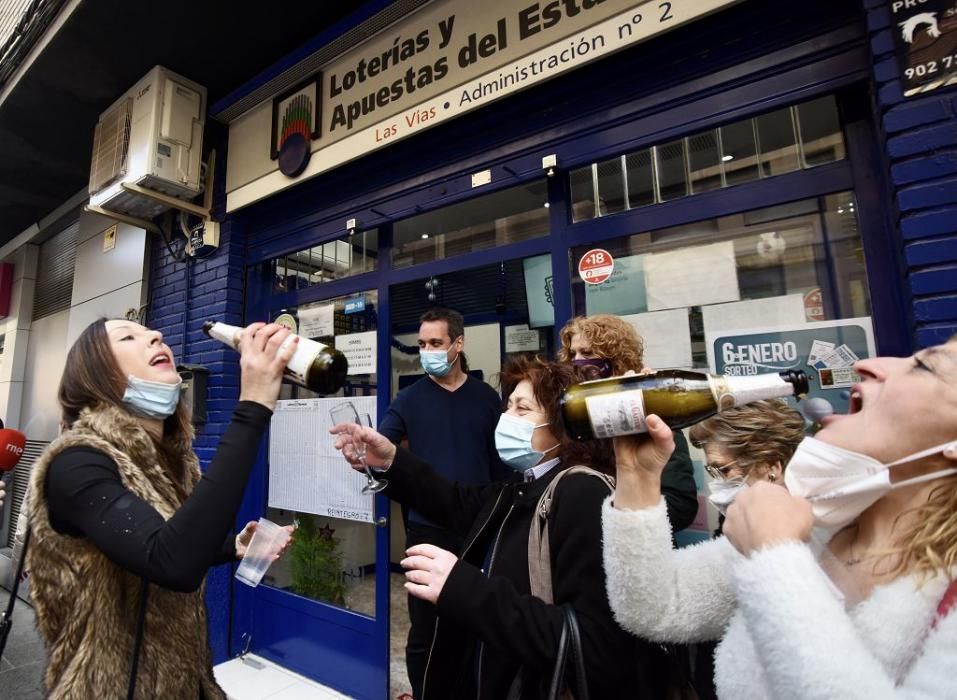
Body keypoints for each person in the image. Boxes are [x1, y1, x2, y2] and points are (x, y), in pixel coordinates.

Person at [602, 339, 957, 698]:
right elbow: (657, 606)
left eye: (925, 366)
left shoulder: (785, 537)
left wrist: (776, 557)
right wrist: (636, 474)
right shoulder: (820, 524)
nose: (870, 364)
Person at [334, 357, 698, 699]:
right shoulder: (520, 484)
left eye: (522, 409)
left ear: (563, 427)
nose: (505, 418)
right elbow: (455, 501)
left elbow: (595, 646)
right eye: (508, 406)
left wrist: (463, 588)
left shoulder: (581, 492)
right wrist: (391, 460)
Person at [26, 319, 295, 699]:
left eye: (153, 332)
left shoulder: (170, 462)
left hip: (186, 682)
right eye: (128, 336)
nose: (156, 336)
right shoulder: (78, 462)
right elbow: (170, 561)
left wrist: (231, 546)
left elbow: (169, 537)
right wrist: (251, 408)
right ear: (94, 373)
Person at [378, 306, 505, 698]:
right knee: (426, 630)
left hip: (478, 530)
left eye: (436, 342)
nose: (427, 350)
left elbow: (500, 464)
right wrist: (369, 451)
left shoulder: (487, 399)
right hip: (426, 531)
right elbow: (383, 447)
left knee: (474, 620)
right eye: (421, 344)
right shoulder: (410, 399)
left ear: (458, 344)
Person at [685, 399, 806, 700]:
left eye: (723, 470)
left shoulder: (810, 536)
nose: (717, 485)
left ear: (772, 466)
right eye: (712, 471)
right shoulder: (737, 525)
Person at [557, 313, 699, 532]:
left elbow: (680, 505)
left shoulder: (648, 412)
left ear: (616, 361)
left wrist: (617, 511)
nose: (577, 361)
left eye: (587, 353)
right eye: (572, 353)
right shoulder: (570, 413)